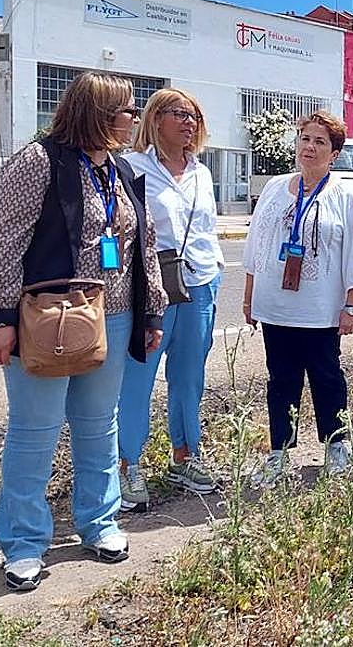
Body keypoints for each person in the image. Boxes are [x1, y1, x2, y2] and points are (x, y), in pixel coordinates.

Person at [0, 71, 166, 591]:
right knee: (34, 432)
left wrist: (150, 313)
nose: (133, 119)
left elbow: (139, 244)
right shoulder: (39, 162)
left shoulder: (121, 169)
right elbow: (6, 242)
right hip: (46, 317)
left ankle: (99, 522)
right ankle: (23, 543)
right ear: (99, 114)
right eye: (127, 110)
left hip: (114, 315)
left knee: (98, 424)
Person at [243, 110, 353, 485]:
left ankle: (335, 445)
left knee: (326, 377)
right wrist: (250, 297)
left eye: (320, 141)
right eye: (305, 138)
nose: (310, 147)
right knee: (280, 380)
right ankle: (279, 452)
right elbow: (256, 246)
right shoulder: (274, 188)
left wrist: (352, 304)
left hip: (320, 311)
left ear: (334, 153)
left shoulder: (345, 196)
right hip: (275, 308)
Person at [118, 88, 224, 512]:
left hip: (199, 284)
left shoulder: (202, 172)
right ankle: (126, 463)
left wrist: (214, 265)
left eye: (194, 116)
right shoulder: (132, 167)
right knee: (137, 378)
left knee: (189, 377)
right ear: (155, 118)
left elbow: (207, 228)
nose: (188, 122)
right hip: (151, 288)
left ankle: (185, 456)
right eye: (179, 114)